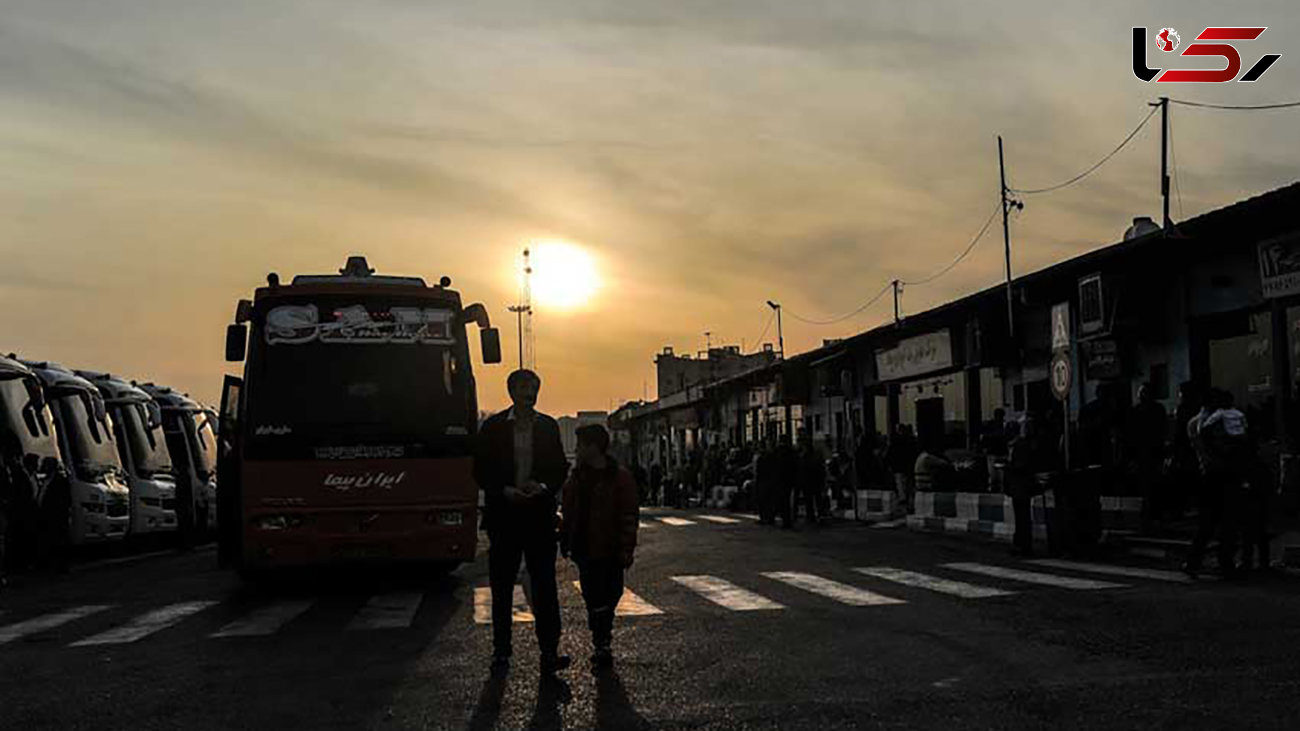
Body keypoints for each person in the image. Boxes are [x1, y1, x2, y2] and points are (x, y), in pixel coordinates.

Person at [473, 369, 572, 675]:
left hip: (538, 516)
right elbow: (481, 469)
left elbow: (558, 467)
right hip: (504, 515)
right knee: (502, 588)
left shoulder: (547, 426)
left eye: (533, 387)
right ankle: (501, 652)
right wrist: (504, 490)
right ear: (511, 392)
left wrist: (542, 487)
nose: (529, 392)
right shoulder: (492, 427)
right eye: (523, 387)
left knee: (544, 585)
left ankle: (549, 652)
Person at [560, 424, 639, 673]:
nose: (577, 450)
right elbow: (568, 511)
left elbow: (629, 515)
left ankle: (603, 638)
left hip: (610, 549)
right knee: (593, 598)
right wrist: (565, 538)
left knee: (611, 594)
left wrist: (626, 548)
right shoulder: (577, 477)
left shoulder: (620, 477)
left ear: (593, 447)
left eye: (581, 445)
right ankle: (601, 642)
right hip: (585, 549)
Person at [1184, 389, 1248, 579]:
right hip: (1224, 474)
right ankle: (1225, 561)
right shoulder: (1216, 422)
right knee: (1228, 522)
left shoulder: (1193, 422)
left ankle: (1193, 561)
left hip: (1206, 474)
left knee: (1207, 523)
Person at [1129, 383, 1167, 528]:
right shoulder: (1157, 409)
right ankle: (1151, 513)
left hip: (1148, 452)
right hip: (1149, 452)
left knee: (1149, 484)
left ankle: (1150, 514)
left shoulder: (1139, 411)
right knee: (1150, 484)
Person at [798, 438, 825, 524]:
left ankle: (811, 516)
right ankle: (819, 515)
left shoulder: (803, 457)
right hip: (815, 481)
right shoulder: (816, 456)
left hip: (808, 481)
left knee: (809, 500)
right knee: (817, 499)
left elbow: (802, 469)